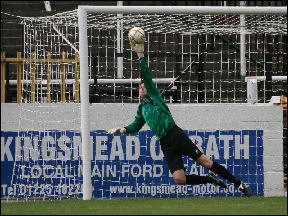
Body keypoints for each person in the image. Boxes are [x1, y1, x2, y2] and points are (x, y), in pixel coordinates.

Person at [108, 38, 252, 197]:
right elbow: (136, 125)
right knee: (179, 179)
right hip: (165, 143)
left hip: (175, 134)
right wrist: (122, 130)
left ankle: (239, 183)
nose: (141, 88)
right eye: (140, 87)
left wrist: (140, 54)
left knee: (205, 162)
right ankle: (209, 180)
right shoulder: (142, 108)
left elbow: (146, 74)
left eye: (143, 86)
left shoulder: (155, 96)